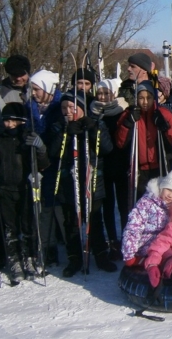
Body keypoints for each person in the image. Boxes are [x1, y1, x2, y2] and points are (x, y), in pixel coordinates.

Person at [47, 91, 115, 276]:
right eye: (63, 108)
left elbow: (107, 148)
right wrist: (66, 134)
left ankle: (101, 255)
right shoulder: (57, 126)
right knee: (71, 221)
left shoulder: (96, 123)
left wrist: (93, 130)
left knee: (94, 219)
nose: (67, 111)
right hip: (68, 183)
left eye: (72, 107)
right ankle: (74, 258)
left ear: (82, 109)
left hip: (92, 181)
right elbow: (53, 152)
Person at [0, 102, 50, 283]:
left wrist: (40, 148)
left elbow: (44, 164)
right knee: (10, 227)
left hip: (25, 187)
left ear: (21, 121)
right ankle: (14, 260)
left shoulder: (28, 138)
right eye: (6, 121)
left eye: (12, 121)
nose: (8, 124)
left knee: (28, 226)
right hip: (5, 188)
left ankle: (30, 258)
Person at [121, 160, 172, 266]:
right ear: (162, 186)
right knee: (163, 254)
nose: (170, 195)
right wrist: (129, 254)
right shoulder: (146, 203)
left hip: (166, 243)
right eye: (169, 189)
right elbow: (133, 228)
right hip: (146, 244)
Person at [26, 69, 64, 267]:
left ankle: (66, 244)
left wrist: (44, 146)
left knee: (56, 207)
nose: (33, 93)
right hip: (36, 166)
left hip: (55, 165)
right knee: (42, 209)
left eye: (37, 89)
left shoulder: (59, 108)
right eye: (32, 89)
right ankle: (47, 247)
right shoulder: (30, 109)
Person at [115, 81, 172, 198]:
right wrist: (127, 124)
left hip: (160, 167)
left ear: (154, 98)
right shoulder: (129, 114)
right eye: (141, 98)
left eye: (148, 98)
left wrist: (165, 127)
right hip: (138, 169)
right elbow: (120, 142)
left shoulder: (163, 113)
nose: (145, 102)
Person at [90, 78, 129, 261]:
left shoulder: (121, 110)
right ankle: (112, 240)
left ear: (114, 93)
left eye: (106, 93)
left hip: (120, 164)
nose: (103, 97)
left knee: (123, 205)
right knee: (107, 205)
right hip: (101, 166)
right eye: (100, 93)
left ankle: (126, 239)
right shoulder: (93, 112)